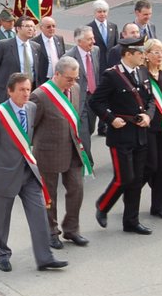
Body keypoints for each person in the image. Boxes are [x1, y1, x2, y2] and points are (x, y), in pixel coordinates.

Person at [0, 72, 68, 273]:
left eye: (28, 89)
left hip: (28, 173)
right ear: (10, 91)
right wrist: (2, 160)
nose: (26, 94)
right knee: (0, 220)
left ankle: (45, 258)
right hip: (3, 175)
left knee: (39, 213)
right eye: (22, 90)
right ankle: (2, 254)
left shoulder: (32, 108)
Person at [90, 39, 153, 235]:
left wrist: (148, 116)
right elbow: (95, 102)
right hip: (121, 134)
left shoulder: (142, 71)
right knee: (124, 177)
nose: (143, 55)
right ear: (128, 54)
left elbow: (150, 99)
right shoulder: (112, 75)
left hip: (140, 133)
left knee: (136, 180)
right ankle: (103, 205)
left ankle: (131, 221)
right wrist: (111, 119)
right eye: (139, 52)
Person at [30, 56, 90, 249]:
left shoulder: (76, 89)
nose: (73, 83)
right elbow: (32, 126)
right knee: (50, 195)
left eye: (76, 78)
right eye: (69, 79)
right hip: (48, 152)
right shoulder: (40, 95)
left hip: (72, 148)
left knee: (76, 188)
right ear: (57, 74)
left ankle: (72, 229)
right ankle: (51, 231)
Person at [141, 38, 162, 219]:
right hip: (147, 126)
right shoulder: (141, 75)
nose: (160, 55)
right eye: (155, 52)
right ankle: (131, 191)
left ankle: (160, 206)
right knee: (150, 165)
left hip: (161, 125)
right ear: (146, 55)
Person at [66, 26, 100, 162]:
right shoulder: (69, 57)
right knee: (84, 132)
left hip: (93, 98)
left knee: (91, 128)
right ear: (79, 41)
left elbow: (96, 73)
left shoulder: (96, 51)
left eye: (93, 38)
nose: (93, 41)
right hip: (79, 99)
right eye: (89, 39)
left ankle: (76, 149)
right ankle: (87, 164)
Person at [0, 15, 40, 103]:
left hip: (28, 92)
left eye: (32, 26)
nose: (31, 29)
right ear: (18, 28)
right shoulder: (4, 45)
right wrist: (3, 80)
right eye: (27, 26)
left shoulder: (36, 47)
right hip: (9, 93)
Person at [89, 0, 119, 71]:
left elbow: (116, 46)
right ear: (94, 13)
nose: (102, 14)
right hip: (97, 65)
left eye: (104, 11)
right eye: (99, 12)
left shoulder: (113, 27)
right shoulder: (89, 28)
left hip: (112, 65)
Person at [35, 14, 66, 84]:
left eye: (53, 26)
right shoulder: (35, 42)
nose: (51, 29)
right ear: (41, 28)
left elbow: (63, 57)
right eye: (48, 27)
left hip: (58, 78)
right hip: (43, 79)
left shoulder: (59, 39)